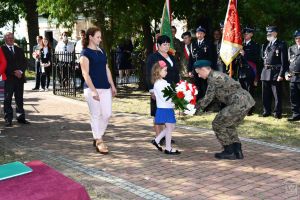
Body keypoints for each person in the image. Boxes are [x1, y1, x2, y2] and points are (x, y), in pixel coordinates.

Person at [194, 60, 255, 160]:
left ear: (204, 69)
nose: (199, 76)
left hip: (238, 103)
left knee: (217, 123)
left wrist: (195, 109)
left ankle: (229, 151)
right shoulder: (217, 75)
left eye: (198, 73)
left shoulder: (213, 78)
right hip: (246, 101)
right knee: (229, 124)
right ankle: (237, 151)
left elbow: (208, 98)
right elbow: (215, 98)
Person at [80, 27, 117, 154]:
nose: (100, 39)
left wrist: (112, 85)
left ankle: (97, 137)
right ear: (90, 37)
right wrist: (93, 90)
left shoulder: (101, 51)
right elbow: (85, 73)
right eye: (98, 37)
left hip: (105, 88)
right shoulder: (85, 53)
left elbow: (106, 69)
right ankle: (99, 140)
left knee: (107, 114)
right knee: (96, 115)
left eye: (100, 37)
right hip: (92, 89)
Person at [146, 35, 180, 144]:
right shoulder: (153, 57)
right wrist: (151, 90)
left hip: (170, 88)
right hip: (158, 88)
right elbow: (148, 73)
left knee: (167, 111)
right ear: (158, 45)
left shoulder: (172, 57)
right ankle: (158, 137)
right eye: (164, 44)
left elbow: (176, 72)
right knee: (158, 113)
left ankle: (166, 135)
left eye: (168, 44)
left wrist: (178, 86)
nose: (166, 46)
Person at [150, 60, 180, 155]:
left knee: (171, 127)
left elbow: (169, 95)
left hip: (168, 108)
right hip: (164, 108)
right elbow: (165, 98)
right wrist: (175, 98)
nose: (166, 72)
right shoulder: (158, 84)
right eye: (165, 70)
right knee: (170, 127)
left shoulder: (163, 82)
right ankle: (168, 148)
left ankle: (157, 140)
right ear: (158, 71)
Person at [1, 32, 30, 126]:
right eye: (9, 38)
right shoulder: (2, 49)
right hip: (8, 78)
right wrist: (14, 72)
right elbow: (3, 63)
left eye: (12, 38)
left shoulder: (19, 49)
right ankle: (8, 119)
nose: (11, 39)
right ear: (5, 39)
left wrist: (20, 72)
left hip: (19, 79)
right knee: (7, 99)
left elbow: (24, 62)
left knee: (19, 99)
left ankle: (21, 118)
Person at [261, 26, 288, 119]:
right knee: (265, 94)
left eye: (270, 32)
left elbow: (284, 62)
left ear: (275, 33)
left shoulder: (281, 44)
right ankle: (266, 111)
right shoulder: (265, 45)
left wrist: (281, 74)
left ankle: (277, 112)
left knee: (276, 94)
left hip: (275, 72)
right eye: (267, 32)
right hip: (265, 71)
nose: (268, 34)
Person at [237, 26, 260, 115]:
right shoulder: (240, 44)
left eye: (247, 34)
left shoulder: (255, 45)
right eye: (244, 34)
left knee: (249, 91)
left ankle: (249, 110)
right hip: (241, 70)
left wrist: (244, 54)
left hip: (249, 70)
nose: (245, 35)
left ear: (251, 34)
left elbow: (256, 58)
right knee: (242, 91)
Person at [188, 26, 213, 100]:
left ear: (204, 34)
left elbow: (211, 57)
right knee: (197, 87)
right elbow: (191, 59)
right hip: (195, 70)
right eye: (198, 33)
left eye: (201, 33)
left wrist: (211, 69)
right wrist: (190, 70)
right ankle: (198, 103)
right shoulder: (193, 44)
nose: (199, 35)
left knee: (205, 86)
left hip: (205, 70)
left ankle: (205, 104)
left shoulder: (208, 44)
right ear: (196, 34)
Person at [286, 30, 300, 121]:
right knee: (294, 97)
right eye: (296, 38)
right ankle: (296, 114)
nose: (298, 40)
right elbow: (288, 64)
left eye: (299, 38)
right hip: (293, 77)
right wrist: (287, 73)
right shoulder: (291, 48)